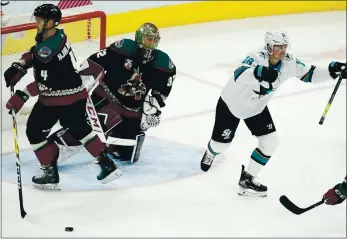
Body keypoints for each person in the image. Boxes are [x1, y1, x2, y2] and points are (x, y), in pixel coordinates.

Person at [200, 31, 347, 197]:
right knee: (221, 145)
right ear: (269, 47)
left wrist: (332, 71)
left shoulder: (289, 62)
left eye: (284, 47)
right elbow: (239, 73)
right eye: (278, 47)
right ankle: (211, 152)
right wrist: (258, 72)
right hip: (231, 104)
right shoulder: (256, 57)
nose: (282, 51)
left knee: (270, 142)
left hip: (256, 108)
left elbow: (309, 74)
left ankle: (247, 179)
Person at [6, 22, 176, 164]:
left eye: (154, 40)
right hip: (105, 99)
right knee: (79, 129)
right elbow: (93, 64)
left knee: (128, 156)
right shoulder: (123, 48)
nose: (151, 43)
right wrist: (80, 88)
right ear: (139, 38)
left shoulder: (164, 64)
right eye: (148, 39)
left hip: (131, 111)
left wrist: (150, 112)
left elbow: (160, 95)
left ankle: (104, 142)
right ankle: (54, 151)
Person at [4, 4, 121, 190]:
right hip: (76, 94)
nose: (37, 23)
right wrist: (20, 64)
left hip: (57, 99)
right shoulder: (59, 36)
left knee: (34, 131)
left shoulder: (47, 52)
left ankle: (50, 172)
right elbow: (35, 53)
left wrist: (22, 94)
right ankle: (107, 164)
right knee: (79, 128)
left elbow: (44, 83)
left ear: (51, 22)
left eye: (40, 20)